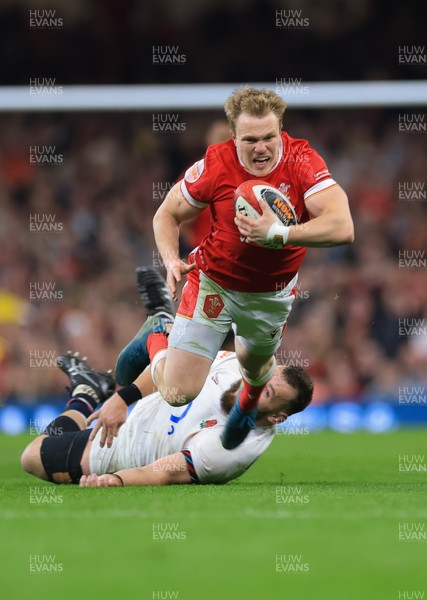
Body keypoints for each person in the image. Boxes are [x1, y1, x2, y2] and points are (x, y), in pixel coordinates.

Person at [116, 86, 354, 450]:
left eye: (269, 137)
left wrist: (278, 233)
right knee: (179, 392)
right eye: (251, 139)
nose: (261, 147)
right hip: (213, 283)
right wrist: (169, 258)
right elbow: (167, 213)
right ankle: (156, 333)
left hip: (270, 295)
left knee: (257, 365)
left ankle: (246, 403)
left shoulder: (303, 161)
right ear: (233, 137)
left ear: (281, 132)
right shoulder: (215, 163)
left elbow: (343, 227)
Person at [20, 348, 313, 487]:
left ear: (277, 418)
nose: (254, 385)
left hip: (124, 450)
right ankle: (92, 390)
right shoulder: (243, 365)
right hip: (142, 412)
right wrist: (123, 398)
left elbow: (166, 470)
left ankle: (85, 394)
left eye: (267, 392)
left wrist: (115, 480)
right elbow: (172, 368)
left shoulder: (232, 449)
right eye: (261, 377)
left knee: (31, 457)